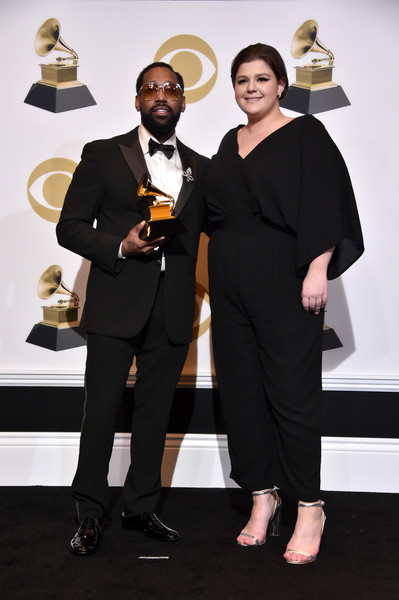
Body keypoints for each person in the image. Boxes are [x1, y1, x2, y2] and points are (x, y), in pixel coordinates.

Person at [205, 44, 364, 564]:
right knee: (243, 394)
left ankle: (309, 506)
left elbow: (325, 200)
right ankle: (261, 498)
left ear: (280, 86)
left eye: (262, 79)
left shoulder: (305, 134)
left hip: (285, 279)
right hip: (229, 283)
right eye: (242, 80)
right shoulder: (229, 142)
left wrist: (318, 268)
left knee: (292, 398)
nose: (251, 88)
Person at [57, 62, 209, 555]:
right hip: (115, 304)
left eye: (171, 89)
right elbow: (70, 226)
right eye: (151, 88)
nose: (161, 95)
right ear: (137, 99)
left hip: (171, 311)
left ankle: (141, 506)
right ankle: (89, 513)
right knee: (99, 413)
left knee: (154, 414)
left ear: (183, 102)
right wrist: (119, 247)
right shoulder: (103, 155)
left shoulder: (201, 168)